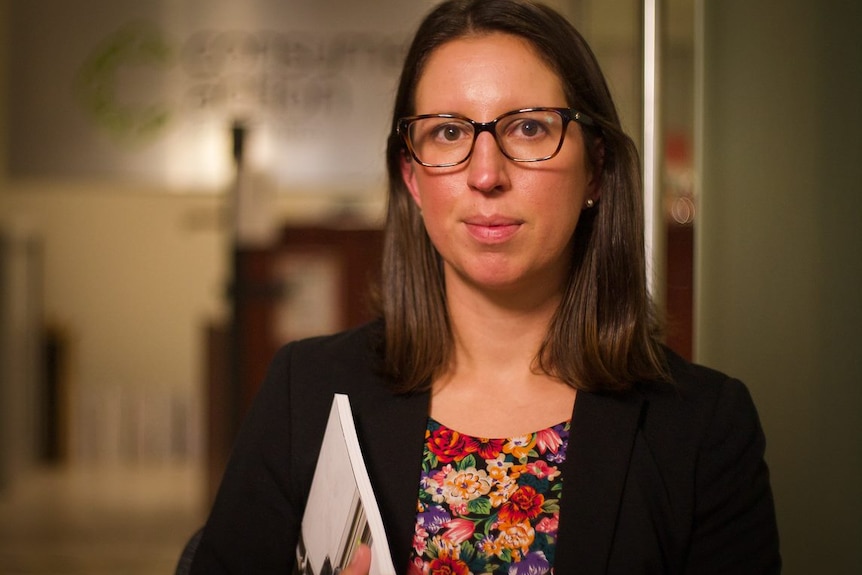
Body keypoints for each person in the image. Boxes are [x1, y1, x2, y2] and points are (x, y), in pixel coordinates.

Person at [189, 0, 781, 573]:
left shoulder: (702, 428)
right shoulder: (308, 393)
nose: (486, 174)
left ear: (596, 168)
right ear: (412, 178)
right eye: (448, 133)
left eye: (527, 128)